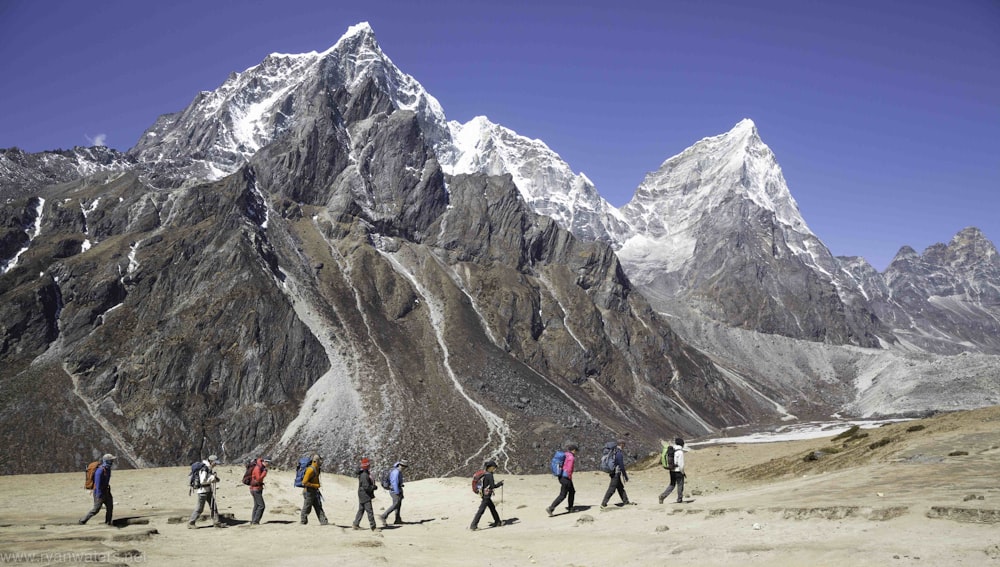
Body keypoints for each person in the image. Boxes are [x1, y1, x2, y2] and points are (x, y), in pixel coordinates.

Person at [79, 454, 116, 525]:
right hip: (99, 492)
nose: (112, 462)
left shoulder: (108, 469)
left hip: (106, 491)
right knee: (96, 509)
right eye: (111, 460)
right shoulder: (100, 471)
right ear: (107, 461)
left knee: (110, 507)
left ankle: (108, 522)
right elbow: (97, 484)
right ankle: (83, 520)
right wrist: (99, 495)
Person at [188, 455, 221, 528]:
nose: (216, 465)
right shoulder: (205, 468)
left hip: (208, 490)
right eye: (215, 463)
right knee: (200, 508)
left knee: (213, 506)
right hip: (203, 491)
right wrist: (212, 478)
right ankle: (191, 523)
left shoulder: (208, 468)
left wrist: (213, 478)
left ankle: (217, 522)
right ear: (211, 461)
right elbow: (202, 481)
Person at [469, 460, 504, 531]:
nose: (494, 469)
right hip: (487, 496)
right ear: (490, 467)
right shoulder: (490, 475)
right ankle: (473, 525)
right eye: (494, 468)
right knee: (481, 510)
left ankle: (497, 521)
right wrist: (500, 484)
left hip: (483, 494)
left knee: (492, 507)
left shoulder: (485, 474)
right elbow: (492, 486)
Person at [546, 442, 577, 516]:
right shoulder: (571, 457)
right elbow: (569, 468)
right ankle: (551, 508)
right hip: (566, 477)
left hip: (561, 476)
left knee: (572, 491)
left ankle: (570, 508)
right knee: (563, 495)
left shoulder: (565, 454)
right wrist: (569, 476)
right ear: (573, 450)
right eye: (576, 450)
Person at [600, 439, 633, 508]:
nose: (624, 446)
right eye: (624, 444)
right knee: (612, 488)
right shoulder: (618, 452)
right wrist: (625, 476)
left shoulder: (614, 452)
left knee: (620, 487)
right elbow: (621, 465)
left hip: (613, 472)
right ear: (621, 444)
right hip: (616, 473)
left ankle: (626, 501)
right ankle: (604, 503)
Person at [300, 454, 329, 525]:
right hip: (308, 491)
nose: (321, 462)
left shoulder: (317, 469)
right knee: (307, 507)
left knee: (318, 506)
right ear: (315, 461)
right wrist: (315, 485)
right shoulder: (310, 470)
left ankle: (324, 522)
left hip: (314, 491)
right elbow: (304, 482)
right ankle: (303, 521)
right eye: (319, 460)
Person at [352, 458, 378, 531]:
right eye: (369, 464)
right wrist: (373, 487)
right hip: (365, 495)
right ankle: (373, 527)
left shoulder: (363, 473)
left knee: (361, 509)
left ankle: (355, 524)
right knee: (369, 511)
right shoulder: (364, 475)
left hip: (362, 494)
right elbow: (366, 487)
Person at [379, 459, 408, 527]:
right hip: (394, 491)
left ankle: (397, 519)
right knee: (396, 504)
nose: (405, 468)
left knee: (398, 504)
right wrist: (397, 492)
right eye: (404, 467)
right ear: (402, 466)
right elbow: (394, 483)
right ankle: (384, 516)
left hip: (396, 489)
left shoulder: (396, 470)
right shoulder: (396, 472)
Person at [659, 438, 687, 504]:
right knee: (680, 484)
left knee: (672, 484)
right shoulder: (680, 452)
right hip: (678, 471)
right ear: (682, 444)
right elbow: (681, 464)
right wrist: (683, 472)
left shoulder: (672, 449)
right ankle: (679, 499)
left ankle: (663, 496)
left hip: (672, 470)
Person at [248, 456, 271, 525]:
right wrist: (264, 472)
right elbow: (258, 479)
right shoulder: (258, 468)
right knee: (262, 506)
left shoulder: (259, 467)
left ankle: (253, 520)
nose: (269, 464)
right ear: (265, 461)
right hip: (256, 489)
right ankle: (255, 521)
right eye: (268, 463)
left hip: (255, 488)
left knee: (256, 505)